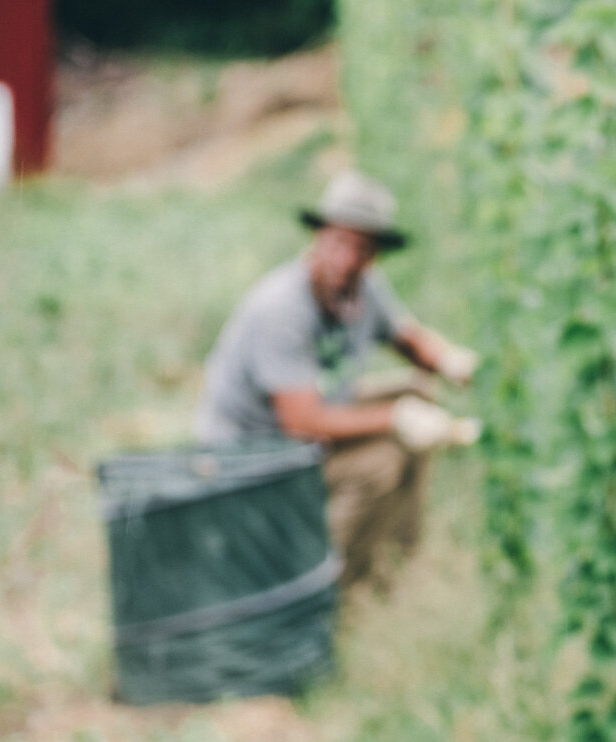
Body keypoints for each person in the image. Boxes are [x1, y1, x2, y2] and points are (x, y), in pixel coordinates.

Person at [193, 171, 481, 587]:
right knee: (382, 459)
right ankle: (320, 579)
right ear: (320, 237)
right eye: (340, 242)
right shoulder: (283, 310)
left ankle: (395, 562)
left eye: (362, 248)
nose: (348, 259)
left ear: (375, 255)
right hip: (253, 459)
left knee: (417, 395)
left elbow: (405, 338)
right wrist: (396, 418)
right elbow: (303, 423)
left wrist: (449, 361)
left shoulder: (363, 289)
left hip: (300, 429)